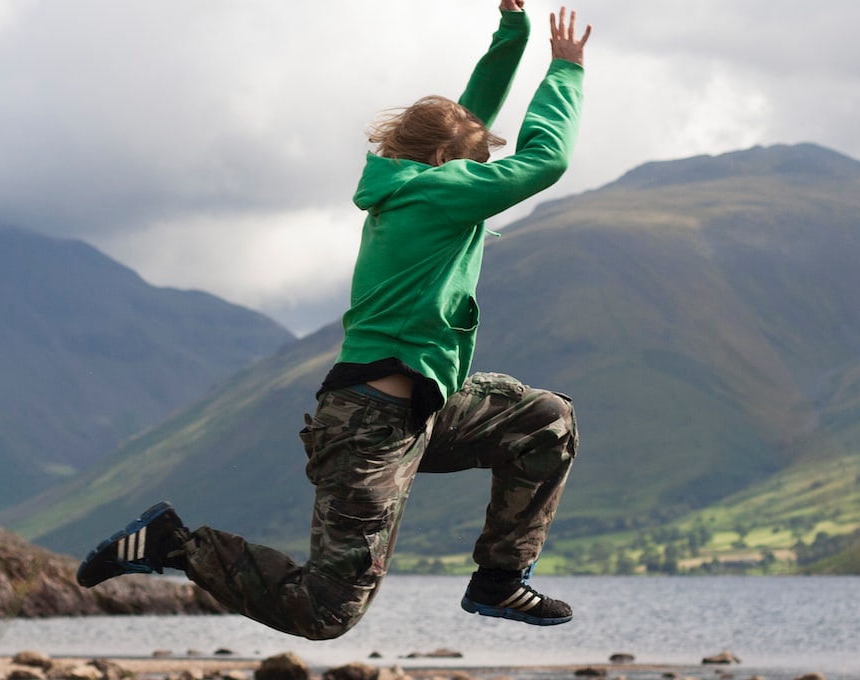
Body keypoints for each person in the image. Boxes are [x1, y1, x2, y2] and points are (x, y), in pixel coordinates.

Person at [77, 1, 592, 641]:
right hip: (369, 427)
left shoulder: (421, 182)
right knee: (326, 613)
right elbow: (547, 161)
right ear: (442, 161)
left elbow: (470, 124)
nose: (482, 177)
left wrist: (511, 35)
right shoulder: (435, 193)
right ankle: (177, 544)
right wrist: (565, 71)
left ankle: (497, 580)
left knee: (545, 420)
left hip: (427, 406)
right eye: (474, 165)